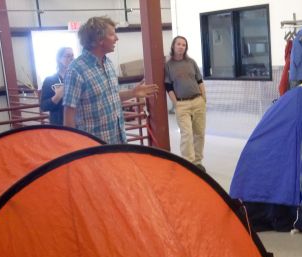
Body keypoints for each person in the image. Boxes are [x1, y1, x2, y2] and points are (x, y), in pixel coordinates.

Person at [63, 16, 158, 143]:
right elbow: (69, 116)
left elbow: (111, 97)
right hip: (94, 148)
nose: (117, 38)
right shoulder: (75, 70)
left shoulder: (108, 64)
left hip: (117, 141)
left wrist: (133, 93)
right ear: (99, 39)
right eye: (112, 34)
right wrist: (75, 150)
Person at [165, 36, 207, 172]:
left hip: (197, 101)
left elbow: (199, 80)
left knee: (199, 133)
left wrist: (203, 98)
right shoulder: (168, 65)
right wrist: (176, 104)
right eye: (178, 44)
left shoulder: (191, 62)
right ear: (173, 46)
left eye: (184, 45)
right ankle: (189, 164)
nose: (181, 46)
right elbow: (168, 86)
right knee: (187, 134)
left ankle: (198, 161)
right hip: (182, 104)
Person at [40, 47, 74, 125]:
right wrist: (57, 96)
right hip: (59, 124)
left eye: (72, 56)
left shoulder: (77, 77)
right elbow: (44, 106)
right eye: (68, 56)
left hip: (77, 124)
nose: (71, 58)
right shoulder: (50, 80)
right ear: (59, 59)